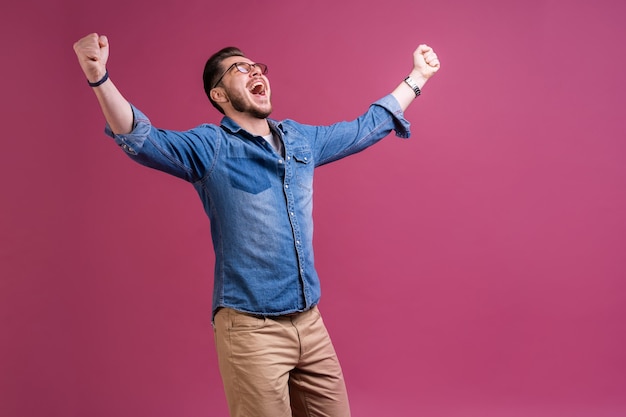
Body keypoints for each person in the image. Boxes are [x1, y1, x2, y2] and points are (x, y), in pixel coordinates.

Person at [73, 33, 440, 417]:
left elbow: (365, 128)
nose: (254, 72)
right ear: (219, 95)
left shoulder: (301, 140)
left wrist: (417, 77)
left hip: (310, 323)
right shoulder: (210, 146)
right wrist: (99, 77)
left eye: (256, 67)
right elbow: (142, 138)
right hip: (251, 331)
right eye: (239, 69)